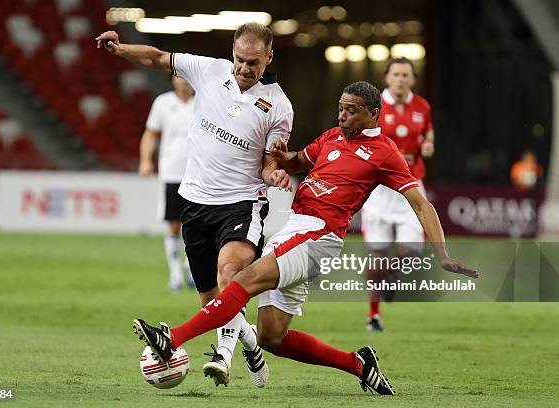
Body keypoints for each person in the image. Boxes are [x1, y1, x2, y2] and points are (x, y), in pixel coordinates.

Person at [132, 81, 479, 396]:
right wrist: (279, 158)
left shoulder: (385, 153)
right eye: (340, 108)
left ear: (374, 114)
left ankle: (172, 338)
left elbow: (420, 204)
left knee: (243, 279)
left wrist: (443, 254)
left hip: (320, 234)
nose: (342, 115)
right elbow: (297, 161)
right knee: (271, 337)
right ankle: (358, 364)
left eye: (351, 110)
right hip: (296, 227)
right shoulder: (331, 137)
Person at [96, 23, 294, 388]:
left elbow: (269, 164)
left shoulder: (279, 105)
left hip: (242, 204)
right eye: (239, 59)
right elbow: (158, 58)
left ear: (269, 57)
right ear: (231, 53)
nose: (244, 68)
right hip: (195, 202)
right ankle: (249, 344)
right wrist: (121, 49)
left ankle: (223, 357)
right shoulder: (209, 70)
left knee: (229, 275)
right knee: (213, 303)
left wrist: (275, 175)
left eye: (253, 62)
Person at [360, 57, 435, 331]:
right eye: (396, 74)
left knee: (412, 252)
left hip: (412, 185)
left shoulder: (422, 106)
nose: (401, 79)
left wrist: (427, 144)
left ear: (412, 79)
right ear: (387, 78)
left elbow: (427, 133)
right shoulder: (373, 106)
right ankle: (374, 315)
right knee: (376, 253)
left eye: (406, 74)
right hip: (380, 188)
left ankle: (391, 273)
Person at [140, 76, 196, 291]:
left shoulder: (203, 103)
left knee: (195, 224)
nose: (185, 82)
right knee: (174, 224)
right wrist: (145, 161)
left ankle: (190, 269)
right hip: (171, 171)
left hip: (197, 174)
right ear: (173, 79)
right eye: (181, 76)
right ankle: (175, 275)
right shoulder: (163, 103)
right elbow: (150, 134)